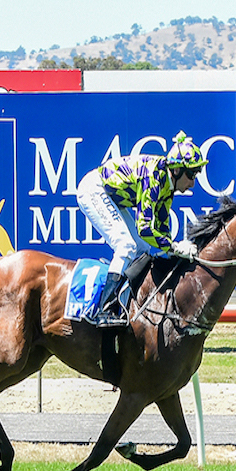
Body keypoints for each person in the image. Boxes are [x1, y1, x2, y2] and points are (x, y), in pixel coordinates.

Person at [75, 131, 208, 326]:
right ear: (177, 170)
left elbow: (161, 229)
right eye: (191, 174)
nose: (193, 183)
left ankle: (127, 305)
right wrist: (174, 247)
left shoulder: (167, 186)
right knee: (125, 245)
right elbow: (144, 228)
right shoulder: (154, 178)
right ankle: (104, 310)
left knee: (142, 249)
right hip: (94, 189)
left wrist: (174, 251)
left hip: (112, 196)